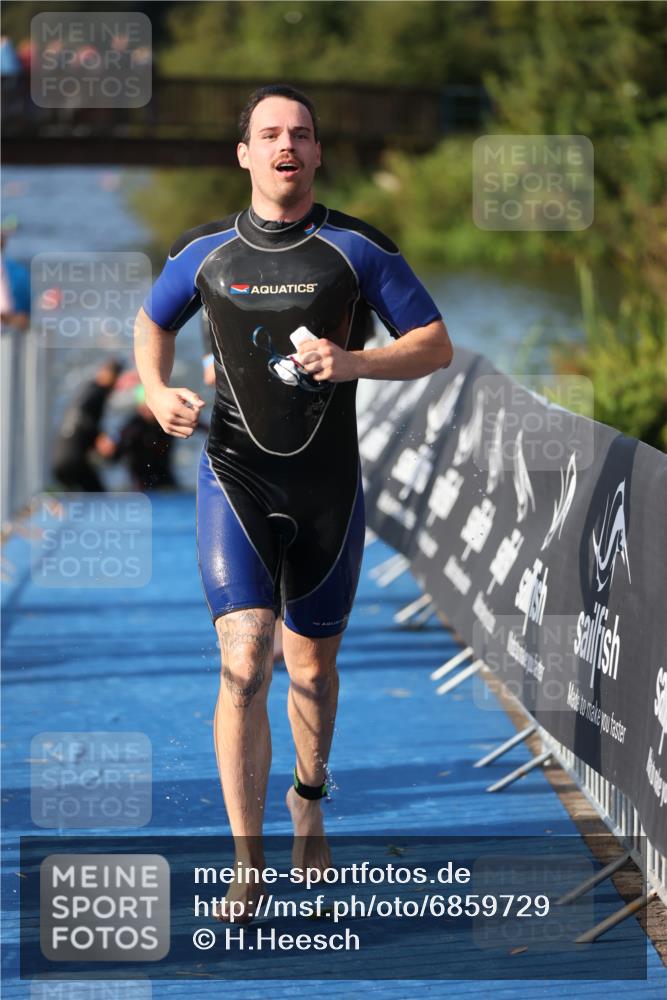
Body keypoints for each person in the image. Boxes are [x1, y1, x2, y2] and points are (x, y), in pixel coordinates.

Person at [134, 84, 453, 922]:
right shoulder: (204, 250)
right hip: (233, 477)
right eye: (270, 134)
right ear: (242, 153)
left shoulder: (356, 249)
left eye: (301, 135)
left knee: (310, 667)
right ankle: (248, 860)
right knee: (244, 660)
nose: (286, 146)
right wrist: (151, 386)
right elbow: (151, 318)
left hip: (326, 487)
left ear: (316, 155)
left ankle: (307, 800)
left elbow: (432, 344)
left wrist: (354, 364)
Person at [51, 358, 124, 491]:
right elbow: (82, 417)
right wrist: (100, 438)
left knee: (85, 496)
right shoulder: (97, 391)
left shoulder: (87, 389)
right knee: (97, 496)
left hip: (62, 458)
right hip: (72, 460)